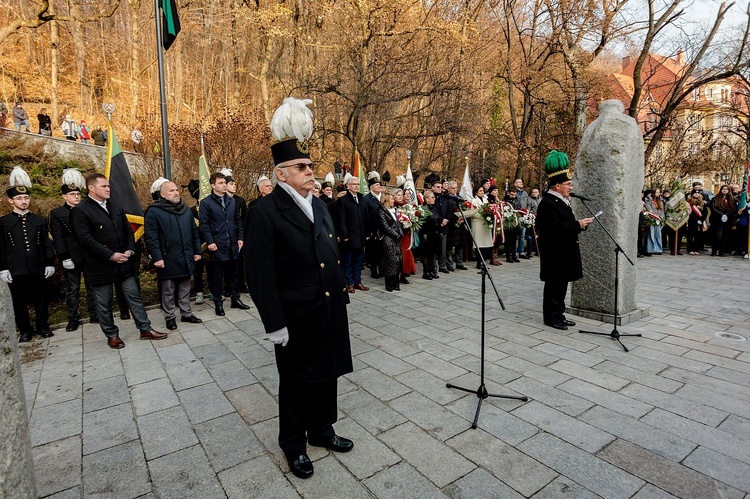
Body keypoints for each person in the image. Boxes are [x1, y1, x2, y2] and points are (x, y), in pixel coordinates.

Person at [246, 97, 353, 480]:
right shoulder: (264, 212)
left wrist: (340, 294)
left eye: (310, 166)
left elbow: (329, 252)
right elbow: (259, 275)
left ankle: (322, 430)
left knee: (327, 374)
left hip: (326, 307)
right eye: (301, 167)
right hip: (295, 314)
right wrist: (274, 323)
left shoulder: (320, 205)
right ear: (281, 174)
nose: (311, 172)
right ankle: (293, 444)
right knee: (295, 382)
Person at [70, 173, 167, 349]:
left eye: (108, 186)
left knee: (134, 296)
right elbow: (85, 239)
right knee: (104, 303)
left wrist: (129, 249)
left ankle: (145, 328)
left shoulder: (115, 205)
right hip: (100, 266)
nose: (108, 189)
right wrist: (110, 254)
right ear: (91, 188)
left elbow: (128, 229)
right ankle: (112, 335)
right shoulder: (81, 210)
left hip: (124, 263)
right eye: (104, 186)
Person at [535, 150, 593, 331]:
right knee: (554, 286)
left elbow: (566, 225)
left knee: (561, 286)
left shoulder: (561, 201)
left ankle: (559, 314)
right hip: (555, 253)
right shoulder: (548, 203)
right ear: (557, 185)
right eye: (568, 184)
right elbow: (555, 229)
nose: (571, 187)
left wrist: (580, 225)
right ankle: (551, 318)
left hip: (564, 251)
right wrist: (577, 225)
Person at [0, 167, 55, 342]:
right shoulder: (3, 222)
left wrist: (49, 263)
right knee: (19, 302)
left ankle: (42, 326)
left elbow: (47, 243)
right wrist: (3, 269)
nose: (24, 201)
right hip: (16, 269)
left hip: (37, 266)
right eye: (19, 198)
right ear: (10, 201)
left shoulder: (38, 220)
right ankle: (25, 330)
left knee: (41, 299)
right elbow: (1, 247)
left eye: (26, 197)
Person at [144, 178, 203, 330]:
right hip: (167, 257)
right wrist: (157, 257)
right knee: (168, 290)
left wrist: (197, 251)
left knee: (185, 287)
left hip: (186, 255)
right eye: (171, 191)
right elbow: (151, 237)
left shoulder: (185, 210)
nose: (176, 192)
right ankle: (170, 317)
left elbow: (194, 232)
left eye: (176, 190)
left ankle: (186, 314)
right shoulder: (154, 212)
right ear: (162, 195)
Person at [49, 169, 98, 331]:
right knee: (73, 289)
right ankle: (73, 318)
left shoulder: (87, 209)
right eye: (72, 195)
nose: (76, 197)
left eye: (77, 194)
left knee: (93, 286)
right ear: (64, 196)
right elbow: (58, 237)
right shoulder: (57, 213)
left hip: (90, 255)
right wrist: (64, 257)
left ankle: (95, 313)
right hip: (72, 256)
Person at [199, 171, 249, 315]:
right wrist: (209, 241)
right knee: (216, 276)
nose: (224, 186)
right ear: (213, 185)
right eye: (221, 183)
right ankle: (218, 302)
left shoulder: (231, 201)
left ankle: (235, 298)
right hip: (217, 243)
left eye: (224, 183)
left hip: (232, 242)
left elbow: (237, 220)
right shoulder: (206, 202)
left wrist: (240, 237)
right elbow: (204, 224)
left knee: (234, 273)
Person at [337, 175, 369, 293]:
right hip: (349, 237)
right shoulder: (343, 200)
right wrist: (344, 235)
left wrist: (367, 232)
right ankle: (349, 283)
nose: (356, 186)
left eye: (357, 184)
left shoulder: (362, 198)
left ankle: (358, 282)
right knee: (348, 261)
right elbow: (342, 219)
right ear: (348, 186)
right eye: (354, 184)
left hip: (360, 236)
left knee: (359, 261)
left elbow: (366, 216)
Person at [222, 168, 250, 294]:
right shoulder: (219, 200)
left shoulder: (239, 201)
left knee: (238, 261)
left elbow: (242, 219)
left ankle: (240, 285)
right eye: (231, 184)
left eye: (235, 184)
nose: (234, 186)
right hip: (224, 236)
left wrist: (241, 236)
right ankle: (228, 286)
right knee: (227, 263)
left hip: (237, 235)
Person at [378, 191, 403, 292]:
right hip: (388, 239)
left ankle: (396, 282)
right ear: (386, 200)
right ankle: (389, 283)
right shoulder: (381, 211)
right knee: (389, 261)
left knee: (398, 260)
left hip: (396, 239)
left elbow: (398, 223)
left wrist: (400, 233)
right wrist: (396, 235)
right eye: (392, 199)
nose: (393, 201)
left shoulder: (393, 210)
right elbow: (385, 226)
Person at [393, 189, 417, 283]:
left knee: (406, 253)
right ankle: (396, 274)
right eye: (398, 195)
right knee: (398, 254)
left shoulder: (406, 206)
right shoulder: (393, 206)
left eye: (401, 195)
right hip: (397, 234)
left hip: (406, 233)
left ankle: (404, 273)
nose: (400, 196)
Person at [363, 172, 383, 278]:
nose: (379, 186)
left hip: (384, 229)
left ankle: (383, 268)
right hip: (373, 229)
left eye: (379, 184)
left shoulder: (384, 197)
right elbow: (365, 216)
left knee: (383, 250)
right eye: (376, 185)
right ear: (371, 187)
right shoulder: (366, 199)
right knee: (374, 251)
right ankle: (374, 269)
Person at [418, 190, 441, 279]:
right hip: (426, 234)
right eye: (432, 197)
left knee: (433, 254)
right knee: (426, 254)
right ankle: (426, 272)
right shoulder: (423, 209)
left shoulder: (434, 208)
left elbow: (438, 217)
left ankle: (431, 270)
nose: (434, 199)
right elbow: (424, 222)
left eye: (434, 197)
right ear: (427, 199)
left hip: (434, 233)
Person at [470, 185, 494, 268]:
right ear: (476, 192)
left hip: (486, 223)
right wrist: (484, 215)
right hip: (478, 223)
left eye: (483, 190)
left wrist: (489, 214)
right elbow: (473, 212)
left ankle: (484, 261)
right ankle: (479, 262)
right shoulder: (473, 200)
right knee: (479, 244)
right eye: (480, 191)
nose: (482, 192)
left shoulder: (485, 199)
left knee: (486, 244)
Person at [709, 184, 736, 256]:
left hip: (727, 219)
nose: (725, 190)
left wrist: (727, 215)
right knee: (717, 235)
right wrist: (721, 215)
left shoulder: (732, 199)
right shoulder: (715, 198)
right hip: (717, 219)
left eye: (726, 189)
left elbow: (734, 208)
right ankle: (714, 251)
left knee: (724, 236)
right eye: (723, 189)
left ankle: (721, 251)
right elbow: (713, 208)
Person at [503, 187, 522, 263]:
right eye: (511, 194)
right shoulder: (505, 201)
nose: (513, 196)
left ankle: (514, 255)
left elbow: (519, 210)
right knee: (507, 241)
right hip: (508, 223)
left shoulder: (517, 201)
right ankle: (508, 256)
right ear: (508, 193)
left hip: (515, 223)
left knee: (514, 240)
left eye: (514, 194)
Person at [686, 190, 708, 255]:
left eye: (698, 193)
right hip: (692, 221)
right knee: (690, 236)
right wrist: (696, 220)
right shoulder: (689, 202)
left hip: (700, 221)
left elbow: (705, 212)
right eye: (695, 193)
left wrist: (702, 219)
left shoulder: (701, 202)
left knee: (698, 235)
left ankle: (696, 249)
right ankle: (690, 249)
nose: (696, 194)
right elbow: (690, 212)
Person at [645, 188, 664, 255]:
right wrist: (653, 216)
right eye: (657, 192)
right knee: (651, 234)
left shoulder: (661, 200)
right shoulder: (649, 200)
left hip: (658, 220)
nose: (658, 193)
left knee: (658, 235)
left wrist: (661, 217)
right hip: (652, 219)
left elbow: (662, 210)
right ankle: (651, 249)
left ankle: (658, 249)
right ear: (653, 193)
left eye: (659, 192)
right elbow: (649, 209)